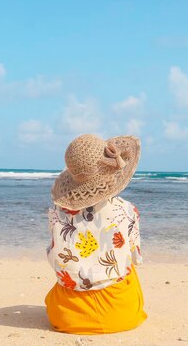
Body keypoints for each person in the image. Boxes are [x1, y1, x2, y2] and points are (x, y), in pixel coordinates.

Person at [44, 134, 147, 334]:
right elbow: (136, 258)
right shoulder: (127, 210)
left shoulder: (57, 213)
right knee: (128, 266)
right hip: (120, 313)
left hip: (66, 315)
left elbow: (56, 255)